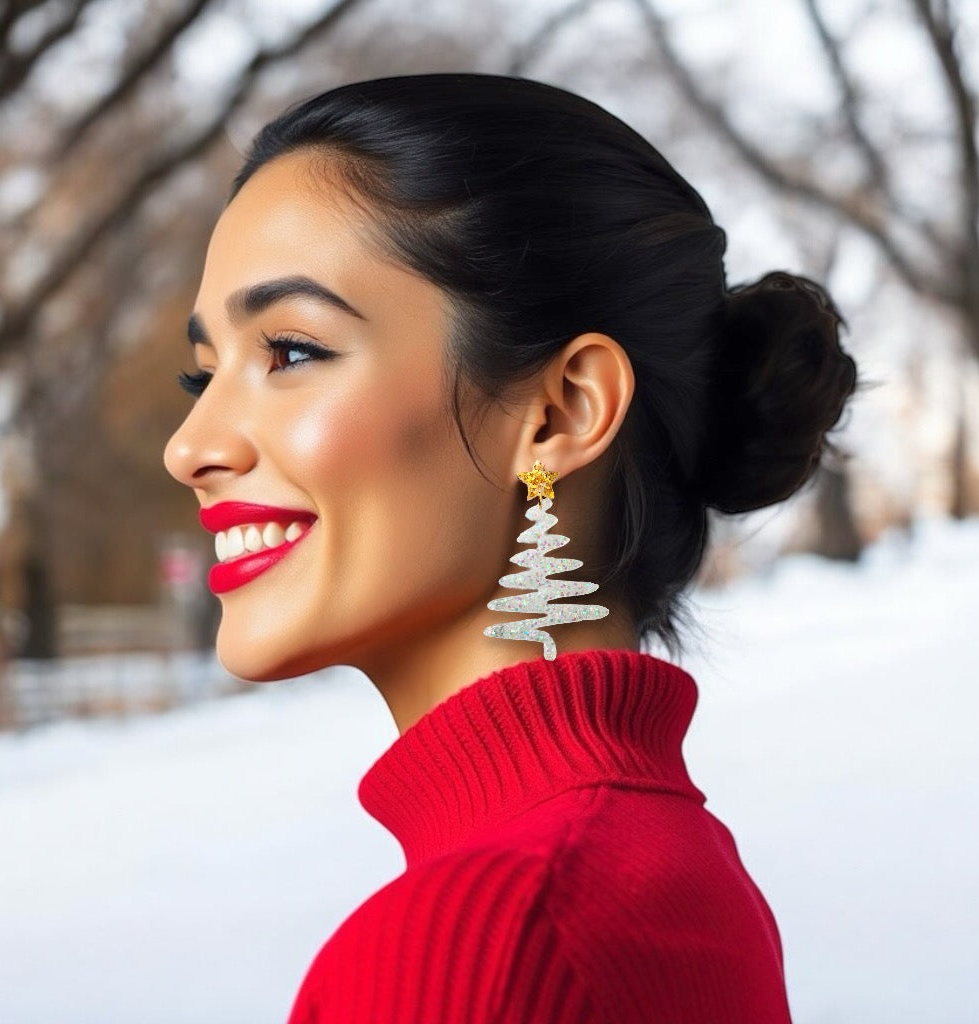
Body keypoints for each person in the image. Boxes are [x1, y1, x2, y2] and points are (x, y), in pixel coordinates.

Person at [164, 73, 858, 1024]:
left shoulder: (487, 942)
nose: (191, 446)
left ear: (562, 411)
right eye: (201, 376)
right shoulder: (662, 869)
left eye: (289, 351)